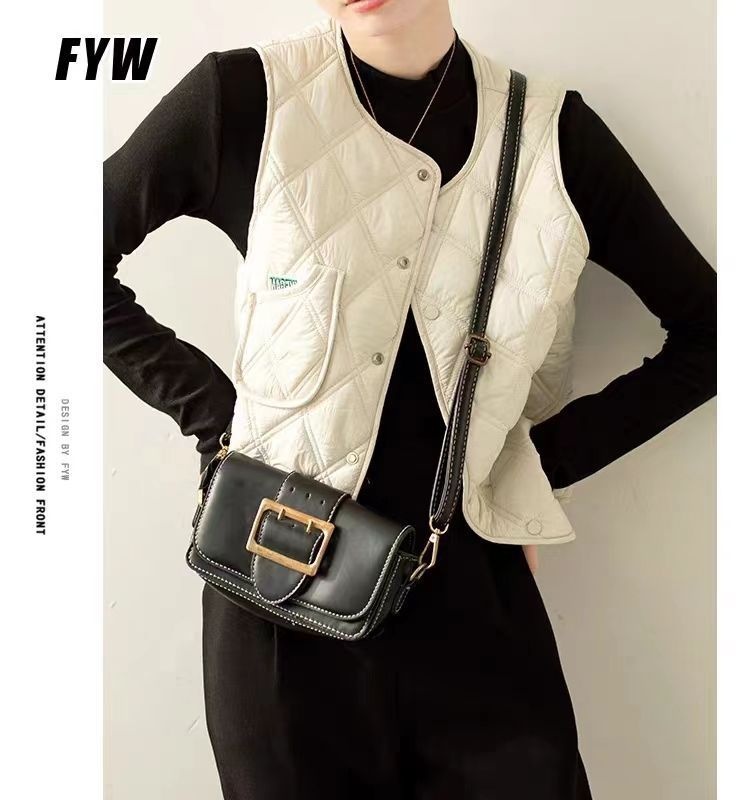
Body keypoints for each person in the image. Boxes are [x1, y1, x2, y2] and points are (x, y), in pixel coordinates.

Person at [103, 0, 716, 797]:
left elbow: (714, 334)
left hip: (475, 605)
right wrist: (214, 420)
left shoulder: (551, 134)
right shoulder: (247, 97)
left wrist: (536, 465)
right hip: (278, 598)